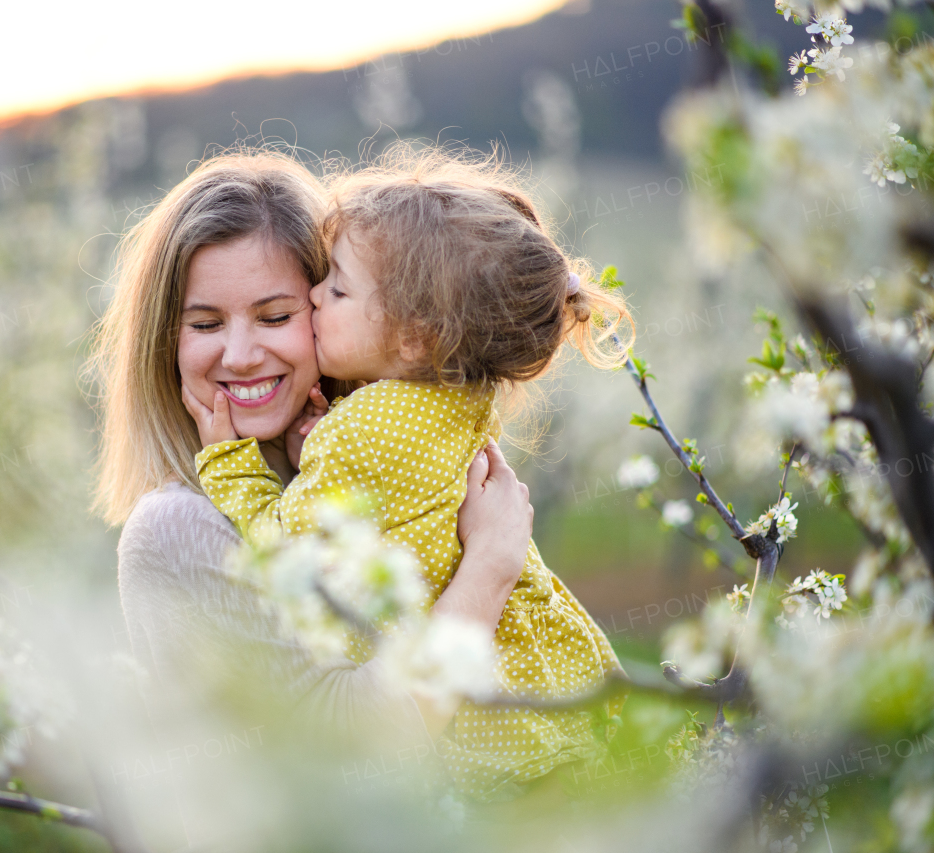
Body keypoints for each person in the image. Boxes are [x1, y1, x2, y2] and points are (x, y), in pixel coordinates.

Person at [185, 144, 633, 803]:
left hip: (481, 739)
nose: (315, 296)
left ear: (416, 337)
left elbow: (291, 557)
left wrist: (231, 469)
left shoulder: (364, 431)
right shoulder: (450, 396)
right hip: (547, 682)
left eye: (336, 289)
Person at [90, 150, 533, 777]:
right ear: (167, 341)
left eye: (276, 316)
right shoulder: (175, 529)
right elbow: (351, 749)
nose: (241, 355)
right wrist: (489, 570)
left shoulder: (373, 469)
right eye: (205, 323)